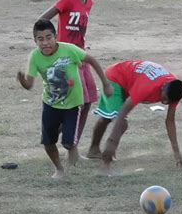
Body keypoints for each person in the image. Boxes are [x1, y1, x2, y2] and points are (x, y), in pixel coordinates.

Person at [17, 19, 112, 179]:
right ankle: (59, 169)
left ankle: (70, 146)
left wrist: (105, 83)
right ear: (35, 41)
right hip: (50, 104)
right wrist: (22, 80)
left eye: (49, 37)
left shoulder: (69, 50)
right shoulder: (35, 56)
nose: (45, 43)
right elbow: (29, 84)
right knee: (48, 142)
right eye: (40, 39)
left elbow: (92, 61)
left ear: (55, 37)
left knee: (68, 143)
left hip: (72, 105)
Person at [86, 60, 182, 176]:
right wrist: (111, 144)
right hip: (115, 77)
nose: (164, 102)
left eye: (168, 101)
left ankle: (93, 150)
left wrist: (177, 155)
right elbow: (123, 113)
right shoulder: (147, 86)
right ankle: (105, 165)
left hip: (130, 80)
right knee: (121, 123)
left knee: (107, 118)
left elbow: (170, 121)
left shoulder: (176, 90)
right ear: (163, 87)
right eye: (164, 97)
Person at [39, 0, 97, 145]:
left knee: (88, 99)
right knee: (78, 102)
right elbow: (42, 19)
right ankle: (56, 138)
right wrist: (51, 44)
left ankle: (70, 141)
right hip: (66, 59)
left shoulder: (88, 2)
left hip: (80, 56)